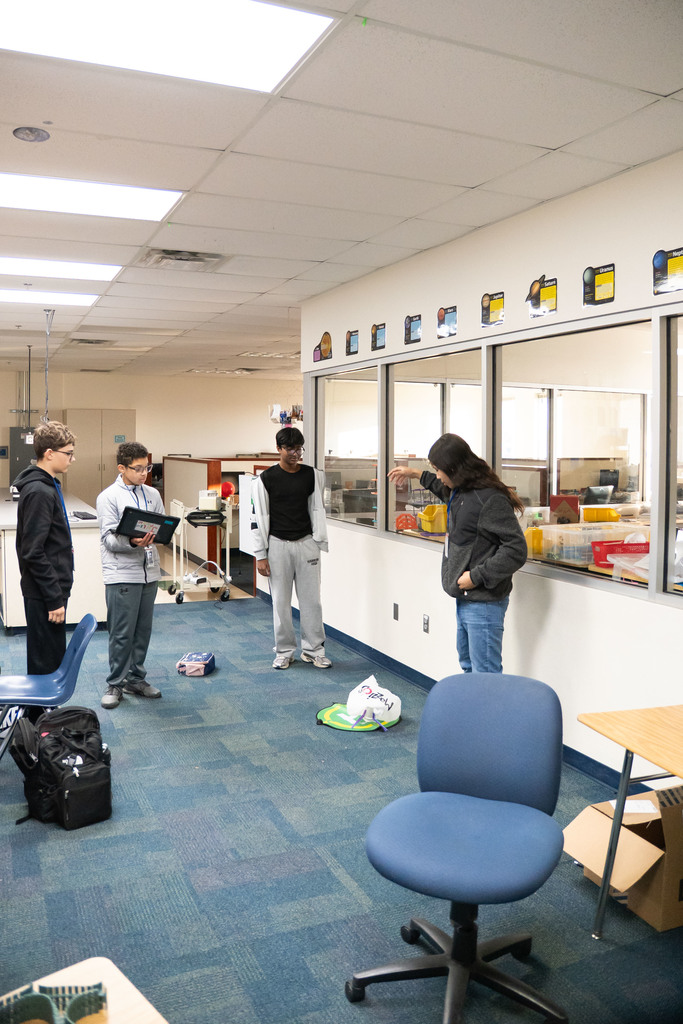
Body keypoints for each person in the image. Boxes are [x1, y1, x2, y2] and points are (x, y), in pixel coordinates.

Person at [388, 433, 527, 674]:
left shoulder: (489, 499)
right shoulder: (460, 492)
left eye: (440, 470)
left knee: (485, 674)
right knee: (468, 667)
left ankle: (487, 713)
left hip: (483, 602)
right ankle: (472, 712)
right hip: (465, 598)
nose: (439, 476)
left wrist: (475, 577)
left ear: (455, 468)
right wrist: (415, 474)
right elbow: (441, 488)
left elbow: (516, 549)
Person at [251, 427, 331, 669]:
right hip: (277, 545)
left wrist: (317, 540)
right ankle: (284, 651)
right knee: (280, 603)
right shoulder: (265, 479)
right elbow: (257, 518)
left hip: (307, 543)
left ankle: (314, 650)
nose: (296, 454)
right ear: (279, 449)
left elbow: (316, 508)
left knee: (312, 602)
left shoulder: (312, 475)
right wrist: (260, 555)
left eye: (299, 449)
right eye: (291, 449)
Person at [96, 442, 165, 709]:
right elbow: (109, 540)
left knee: (142, 630)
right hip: (122, 573)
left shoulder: (152, 494)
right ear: (121, 468)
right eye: (137, 469)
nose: (144, 473)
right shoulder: (108, 497)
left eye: (147, 467)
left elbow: (159, 525)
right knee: (122, 632)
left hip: (149, 571)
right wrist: (134, 542)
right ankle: (115, 683)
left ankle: (136, 679)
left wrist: (159, 535)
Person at [14, 420, 77, 678]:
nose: (72, 459)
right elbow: (33, 551)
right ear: (49, 454)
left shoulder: (48, 485)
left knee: (52, 658)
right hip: (45, 594)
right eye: (68, 453)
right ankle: (42, 717)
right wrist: (53, 597)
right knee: (46, 665)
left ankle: (46, 716)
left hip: (50, 589)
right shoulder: (40, 491)